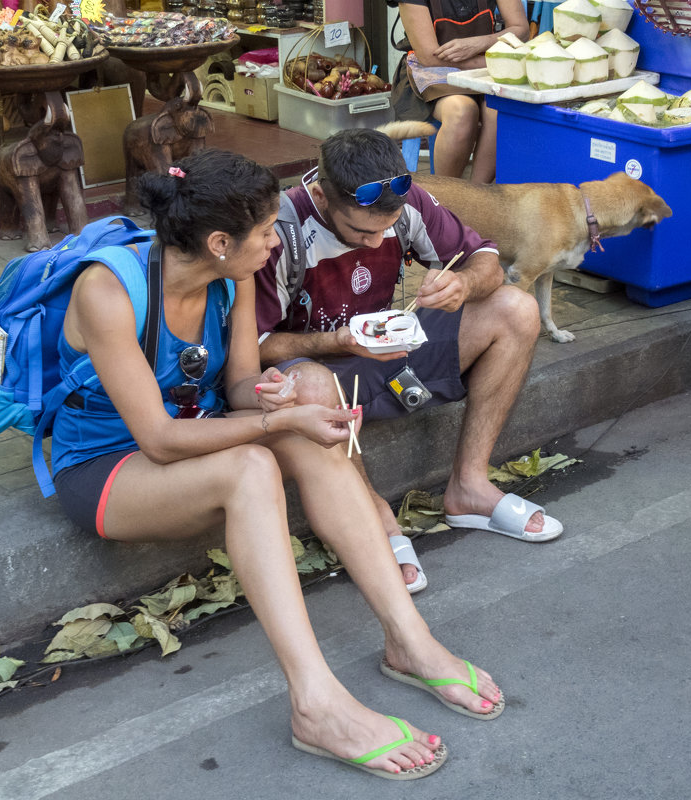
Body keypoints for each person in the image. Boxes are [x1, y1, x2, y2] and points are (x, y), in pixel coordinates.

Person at [49, 149, 504, 779]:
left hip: (195, 433)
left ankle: (411, 642)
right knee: (255, 466)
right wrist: (277, 421)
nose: (275, 243)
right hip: (105, 466)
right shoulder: (108, 290)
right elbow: (154, 439)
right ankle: (315, 702)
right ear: (217, 242)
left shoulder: (231, 276)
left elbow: (237, 387)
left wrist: (274, 399)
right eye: (266, 232)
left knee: (302, 434)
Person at [254, 129, 563, 595]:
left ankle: (469, 486)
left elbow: (486, 260)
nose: (378, 243)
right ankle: (372, 513)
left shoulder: (406, 199)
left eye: (388, 228)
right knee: (312, 382)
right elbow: (255, 347)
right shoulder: (279, 232)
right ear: (321, 194)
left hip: (385, 354)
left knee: (516, 309)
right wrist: (337, 340)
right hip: (316, 370)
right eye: (362, 231)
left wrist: (464, 285)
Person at [392, 0, 529, 182]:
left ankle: (475, 196)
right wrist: (487, 62)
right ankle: (446, 199)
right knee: (461, 112)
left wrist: (481, 43)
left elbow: (521, 29)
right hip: (433, 69)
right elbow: (428, 56)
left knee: (499, 111)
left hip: (484, 62)